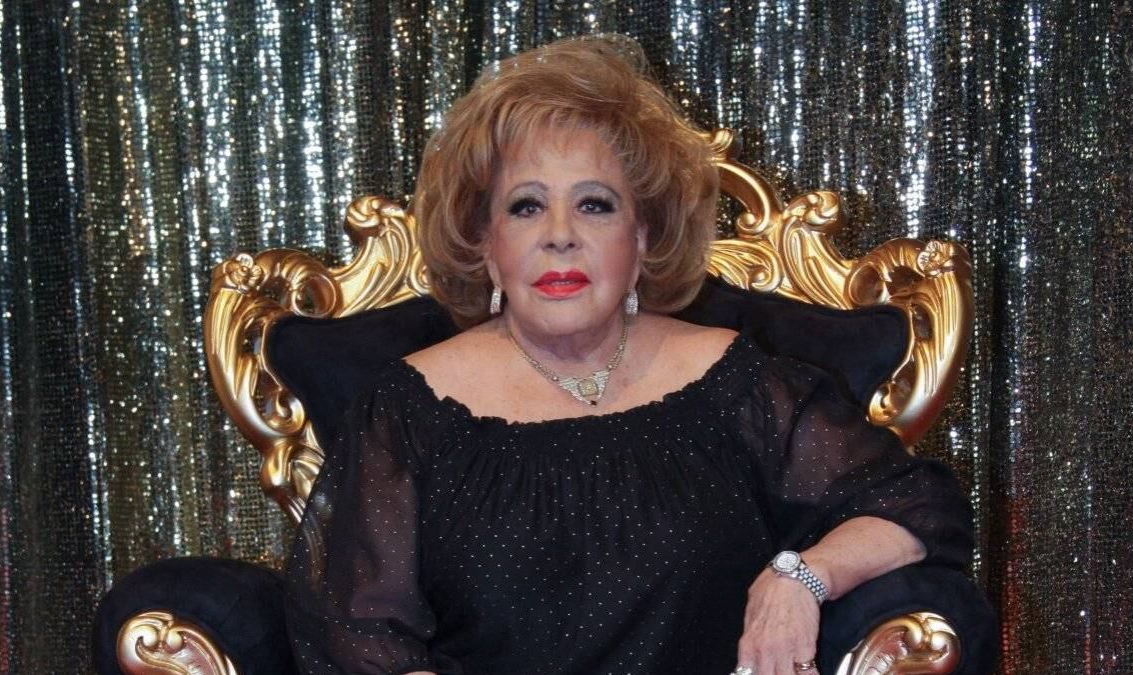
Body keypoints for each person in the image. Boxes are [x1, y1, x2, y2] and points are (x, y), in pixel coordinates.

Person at [285, 35, 972, 675]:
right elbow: (359, 636)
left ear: (641, 238)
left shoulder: (734, 384)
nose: (560, 235)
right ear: (485, 244)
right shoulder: (408, 410)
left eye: (595, 204)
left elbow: (918, 508)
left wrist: (800, 578)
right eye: (525, 206)